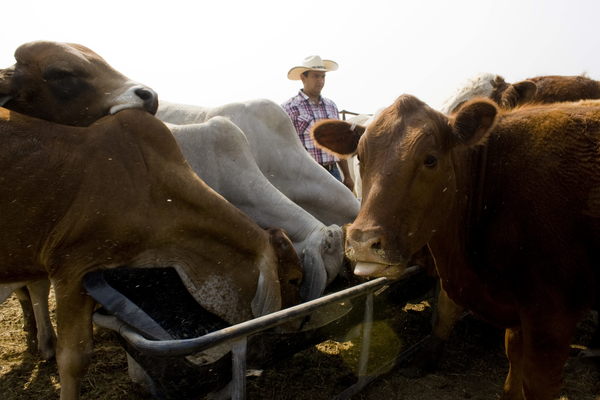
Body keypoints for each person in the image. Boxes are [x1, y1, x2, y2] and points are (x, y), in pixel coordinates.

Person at [282, 55, 354, 191]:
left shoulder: (331, 106)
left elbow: (339, 143)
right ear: (303, 77)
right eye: (316, 76)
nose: (320, 81)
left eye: (323, 77)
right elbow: (286, 146)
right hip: (307, 177)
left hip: (333, 173)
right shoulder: (289, 108)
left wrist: (348, 176)